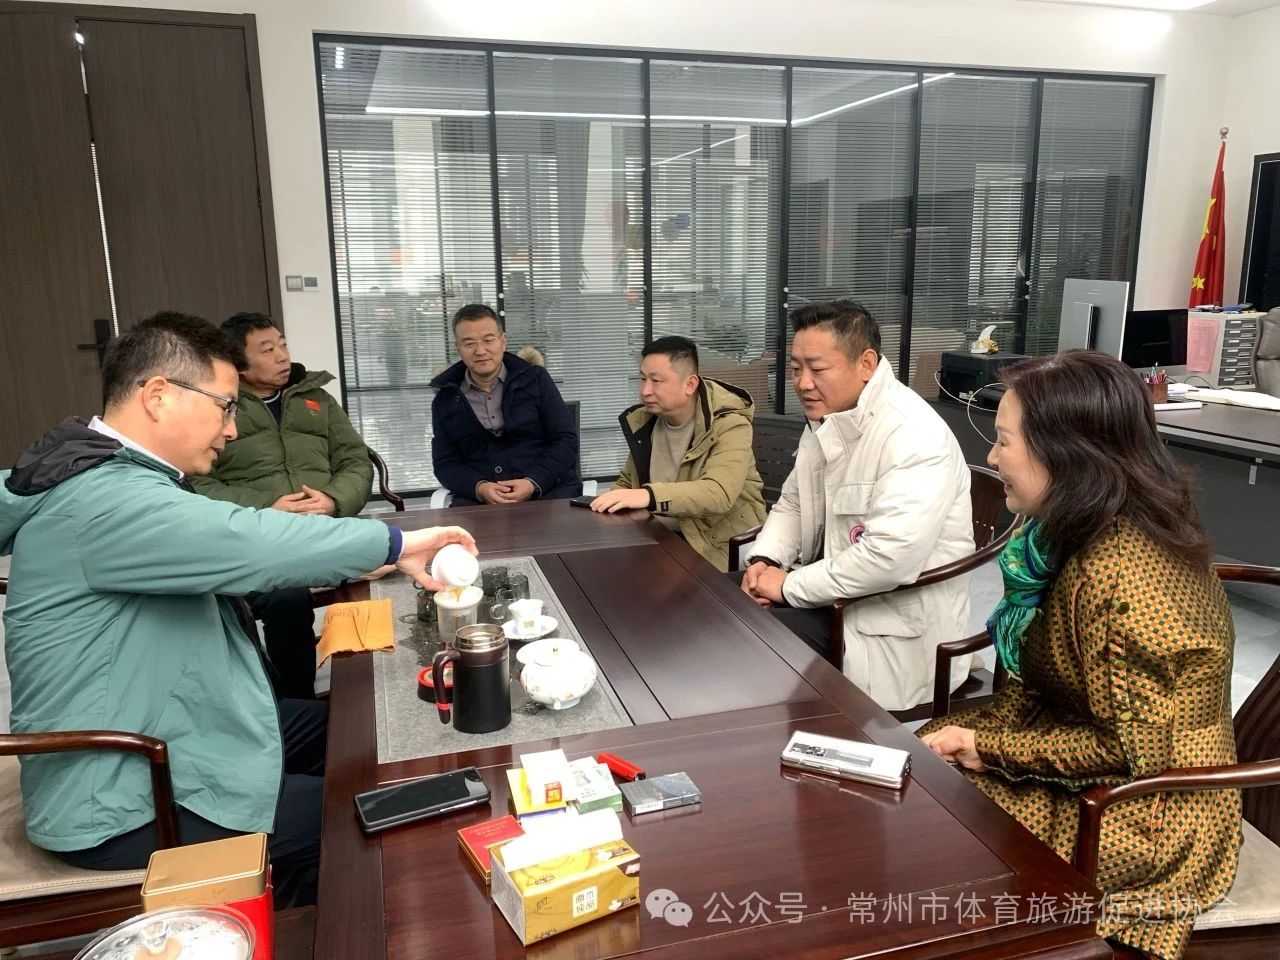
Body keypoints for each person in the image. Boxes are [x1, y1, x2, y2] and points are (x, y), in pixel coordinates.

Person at [0, 313, 476, 908]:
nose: (230, 429)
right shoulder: (103, 499)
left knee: (367, 726)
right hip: (123, 792)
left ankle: (298, 898)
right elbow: (245, 538)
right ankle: (313, 919)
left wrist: (358, 557)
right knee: (369, 812)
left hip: (180, 726)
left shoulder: (109, 478)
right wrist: (394, 542)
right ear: (157, 396)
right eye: (225, 406)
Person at [919, 351, 1240, 960]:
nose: (992, 459)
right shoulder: (1074, 531)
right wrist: (978, 740)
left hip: (1153, 812)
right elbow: (1046, 681)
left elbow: (1129, 752)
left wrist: (988, 747)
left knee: (945, 834)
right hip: (1102, 762)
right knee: (923, 774)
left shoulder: (1122, 578)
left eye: (1004, 442)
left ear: (1066, 455)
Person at [738, 300, 974, 711]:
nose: (803, 383)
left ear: (866, 364)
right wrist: (766, 560)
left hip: (888, 621)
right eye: (795, 369)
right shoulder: (831, 417)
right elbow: (794, 502)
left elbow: (889, 559)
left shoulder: (912, 435)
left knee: (748, 645)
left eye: (817, 369)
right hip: (836, 595)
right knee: (721, 607)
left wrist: (789, 587)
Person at [190, 312, 374, 700]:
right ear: (239, 362)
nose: (282, 356)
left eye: (283, 345)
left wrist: (334, 499)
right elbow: (198, 483)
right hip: (261, 541)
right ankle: (299, 705)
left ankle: (373, 689)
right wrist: (265, 507)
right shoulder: (217, 408)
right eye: (267, 349)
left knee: (389, 564)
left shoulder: (316, 398)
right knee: (286, 596)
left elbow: (355, 460)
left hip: (326, 528)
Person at [591, 336, 765, 571]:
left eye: (656, 381)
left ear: (690, 384)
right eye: (642, 379)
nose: (645, 391)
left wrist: (648, 496)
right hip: (658, 538)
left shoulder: (729, 423)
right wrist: (604, 512)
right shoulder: (647, 421)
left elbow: (719, 493)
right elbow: (627, 482)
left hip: (716, 545)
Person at [431, 303, 580, 506]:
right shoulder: (446, 400)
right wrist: (479, 488)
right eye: (469, 343)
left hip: (547, 493)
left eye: (488, 340)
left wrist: (533, 482)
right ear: (458, 348)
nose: (480, 351)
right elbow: (445, 463)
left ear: (503, 341)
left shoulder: (535, 379)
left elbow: (565, 440)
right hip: (481, 503)